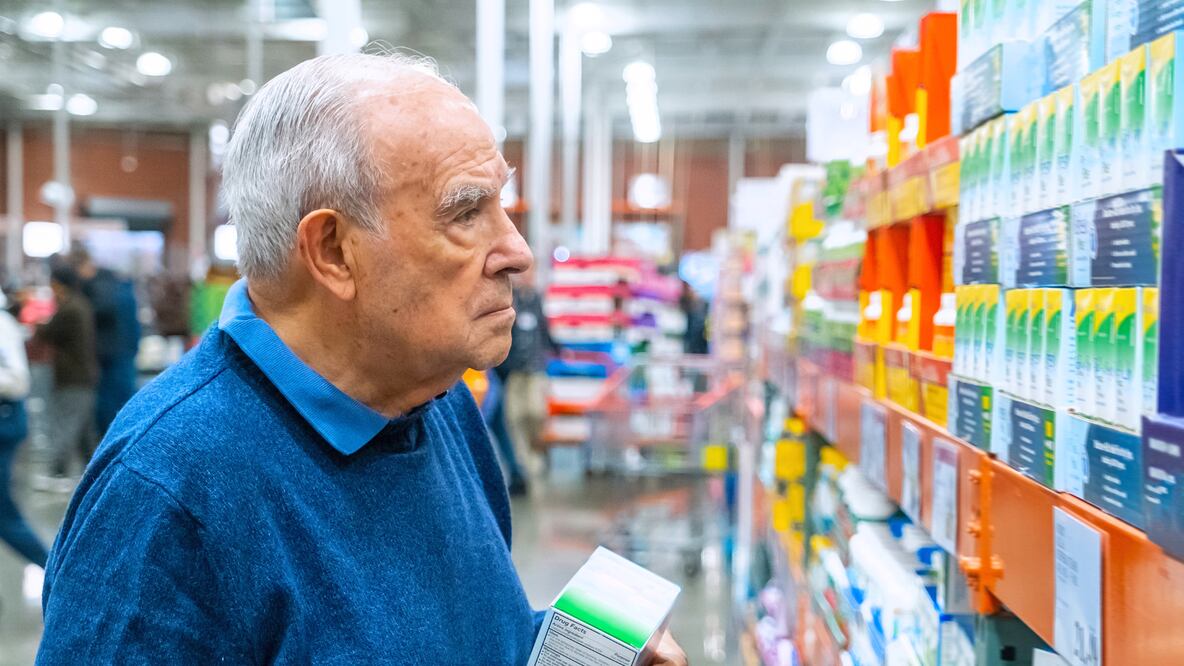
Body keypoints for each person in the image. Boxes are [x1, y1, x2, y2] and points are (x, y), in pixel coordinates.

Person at [37, 53, 687, 665]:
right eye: (466, 212)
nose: (518, 253)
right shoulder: (169, 496)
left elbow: (458, 631)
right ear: (334, 252)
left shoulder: (436, 401)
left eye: (502, 207)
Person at [494, 266, 559, 495]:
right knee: (514, 417)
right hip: (513, 370)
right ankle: (522, 463)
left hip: (535, 368)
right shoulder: (510, 299)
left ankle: (536, 451)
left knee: (535, 412)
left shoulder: (537, 300)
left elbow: (543, 329)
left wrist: (556, 349)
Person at [34, 264, 98, 483]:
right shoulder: (81, 305)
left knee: (67, 424)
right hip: (84, 374)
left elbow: (46, 332)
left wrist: (37, 321)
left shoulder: (70, 309)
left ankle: (58, 472)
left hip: (73, 376)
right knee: (83, 429)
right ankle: (92, 474)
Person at [0, 288, 49, 568]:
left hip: (4, 424)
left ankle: (56, 571)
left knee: (4, 515)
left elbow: (18, 381)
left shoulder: (2, 326)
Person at [73, 249, 142, 437]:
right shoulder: (118, 285)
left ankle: (112, 437)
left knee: (109, 401)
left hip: (111, 353)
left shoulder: (100, 286)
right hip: (123, 350)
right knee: (123, 397)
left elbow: (103, 310)